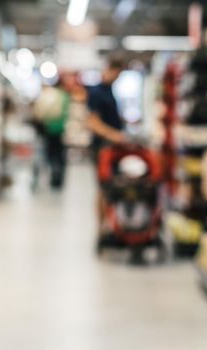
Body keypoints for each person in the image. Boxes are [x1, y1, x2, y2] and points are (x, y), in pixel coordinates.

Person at [86, 55, 127, 243]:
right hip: (103, 148)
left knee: (113, 187)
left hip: (114, 147)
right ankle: (101, 228)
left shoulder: (110, 90)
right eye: (117, 74)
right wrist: (114, 135)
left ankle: (113, 224)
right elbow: (92, 122)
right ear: (110, 69)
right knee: (103, 188)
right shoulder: (96, 92)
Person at [33, 80, 70, 190]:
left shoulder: (48, 96)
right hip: (61, 130)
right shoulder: (64, 96)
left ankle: (53, 177)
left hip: (49, 129)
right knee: (59, 155)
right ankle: (58, 179)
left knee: (50, 154)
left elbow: (39, 113)